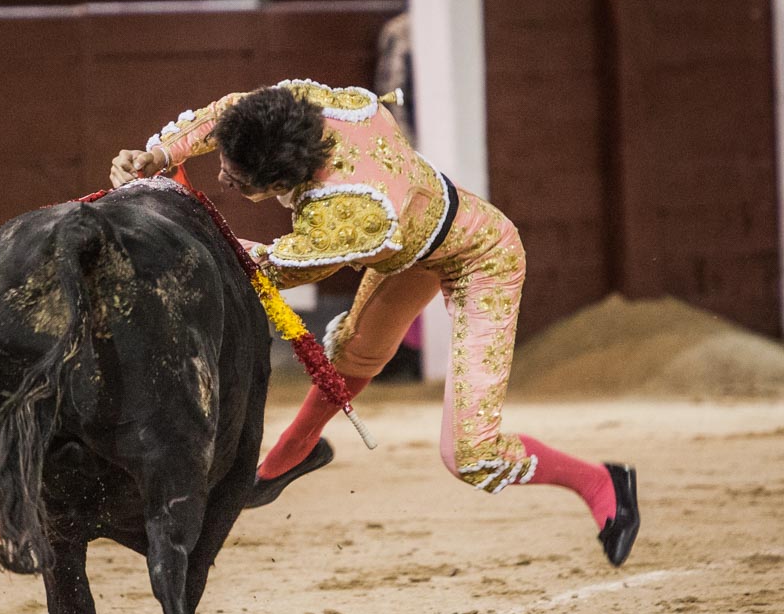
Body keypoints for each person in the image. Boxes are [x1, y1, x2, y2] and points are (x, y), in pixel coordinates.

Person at [110, 79, 640, 566]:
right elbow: (229, 112)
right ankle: (279, 467)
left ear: (285, 180)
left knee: (471, 454)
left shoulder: (352, 211)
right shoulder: (308, 106)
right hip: (415, 242)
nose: (223, 176)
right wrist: (160, 153)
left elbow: (274, 269)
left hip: (481, 257)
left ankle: (601, 483)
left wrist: (197, 244)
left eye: (241, 180)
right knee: (354, 357)